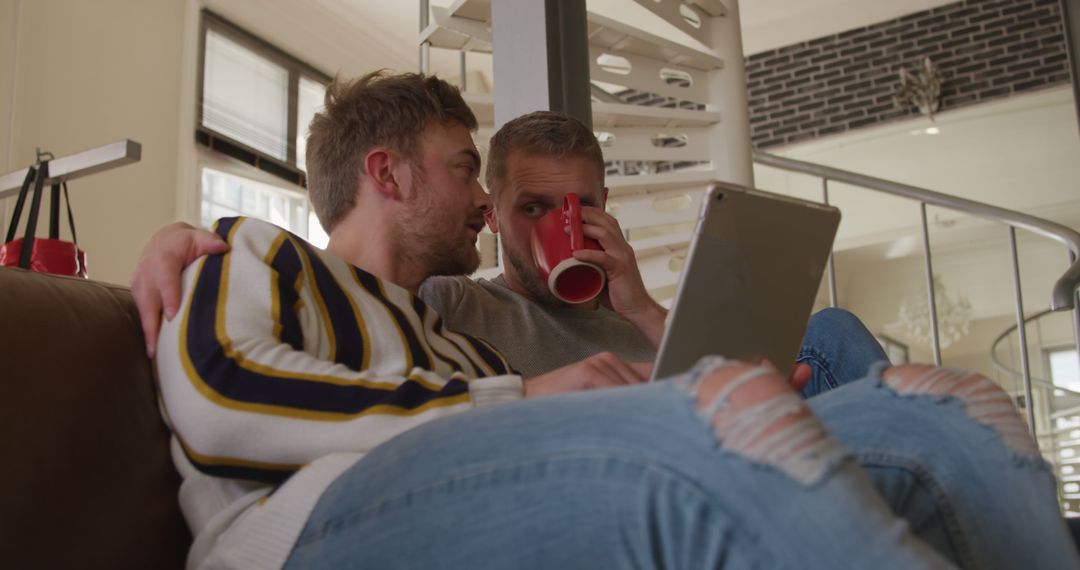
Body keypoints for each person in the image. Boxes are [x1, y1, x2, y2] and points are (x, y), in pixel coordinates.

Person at [150, 70, 1077, 569]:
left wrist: (669, 384)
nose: (482, 199)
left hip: (477, 490)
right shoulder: (260, 255)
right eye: (468, 167)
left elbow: (527, 422)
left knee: (939, 413)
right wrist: (522, 396)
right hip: (308, 535)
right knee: (732, 425)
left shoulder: (456, 340)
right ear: (388, 175)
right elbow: (218, 398)